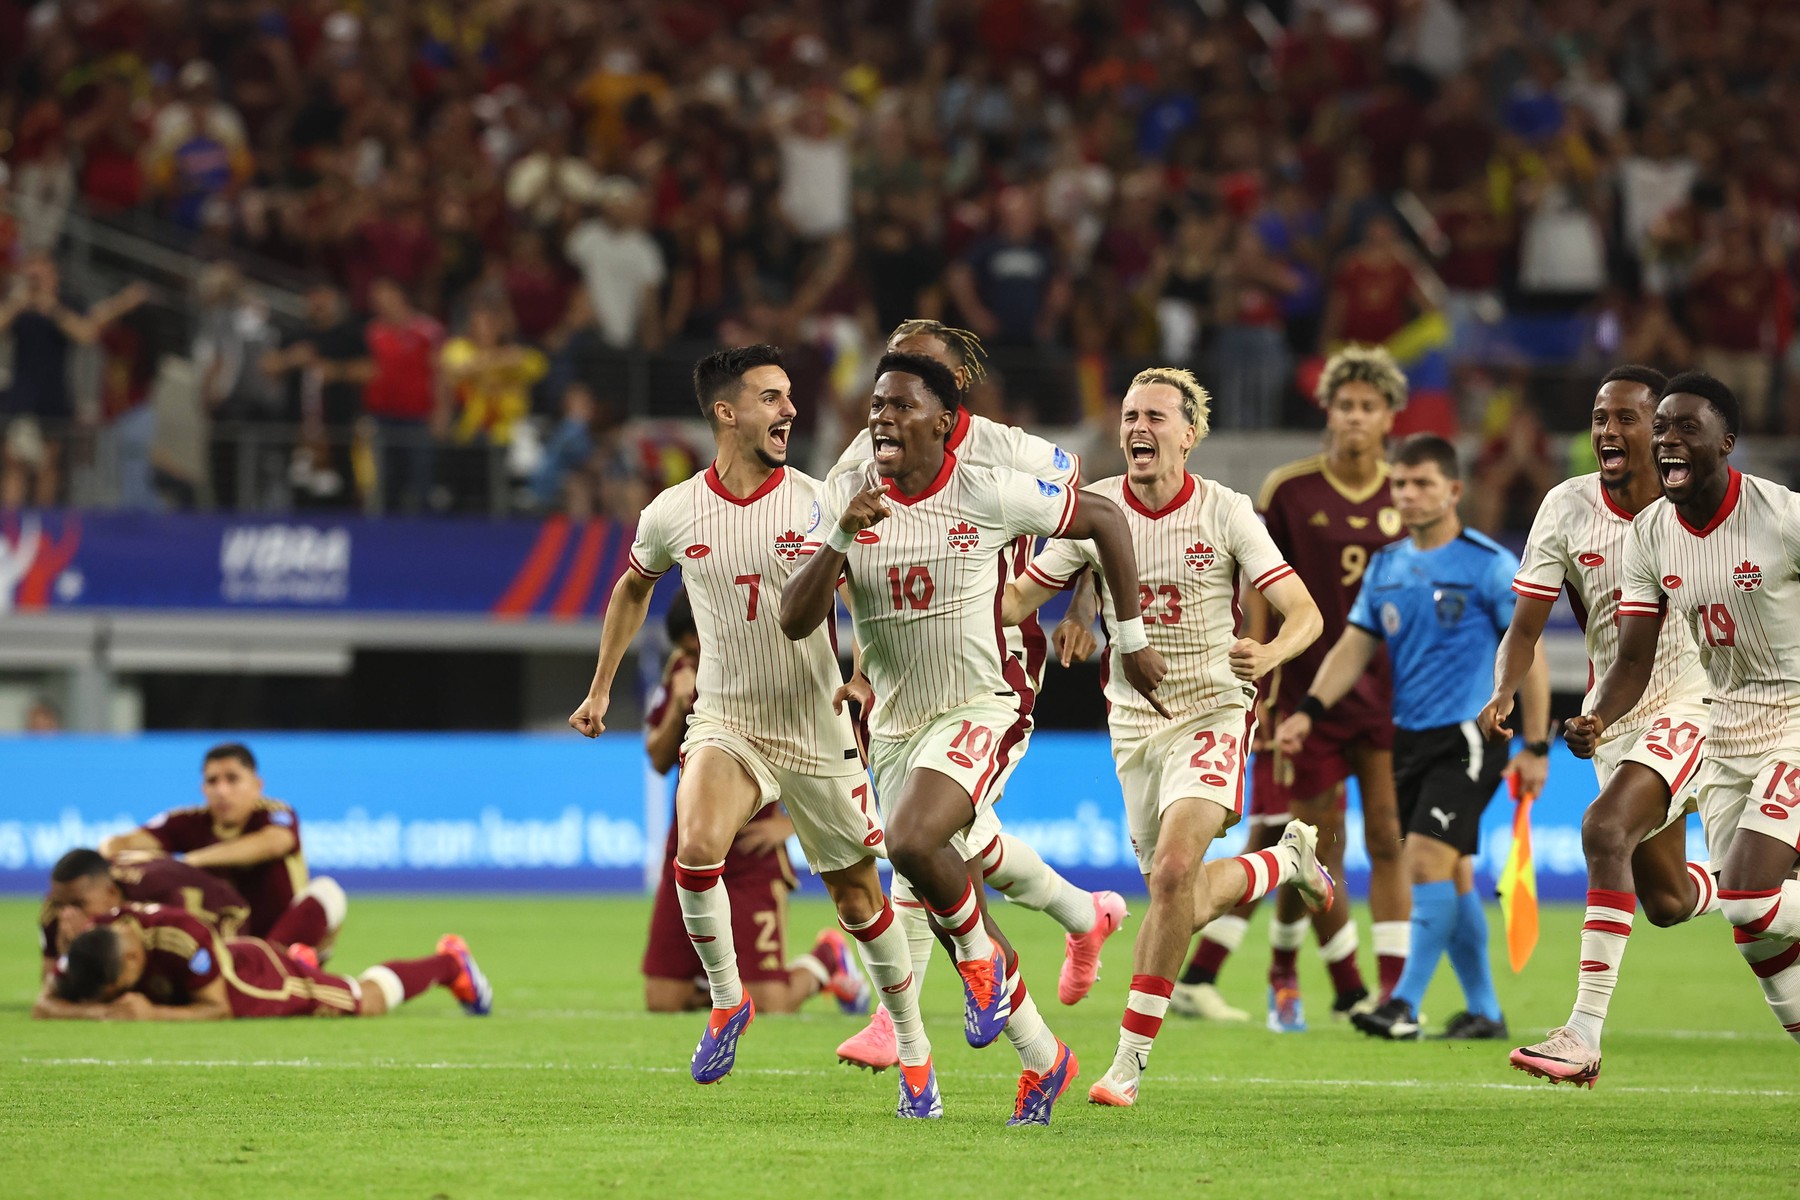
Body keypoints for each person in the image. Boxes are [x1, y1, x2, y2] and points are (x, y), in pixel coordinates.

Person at [780, 351, 1164, 1127]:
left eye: (901, 405)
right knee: (942, 870)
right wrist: (839, 538)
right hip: (892, 719)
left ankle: (985, 966)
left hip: (983, 701)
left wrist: (1127, 630)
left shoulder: (986, 484)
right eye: (876, 404)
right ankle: (1045, 1058)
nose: (882, 417)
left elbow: (1106, 518)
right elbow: (793, 618)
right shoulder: (848, 491)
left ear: (944, 421)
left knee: (914, 842)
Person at [568, 346, 937, 1117]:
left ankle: (912, 1053)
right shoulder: (672, 511)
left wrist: (864, 672)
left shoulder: (818, 500)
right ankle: (730, 1004)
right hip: (727, 719)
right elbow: (632, 589)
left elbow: (866, 596)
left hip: (814, 726)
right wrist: (601, 689)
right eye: (771, 397)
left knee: (858, 898)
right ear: (726, 413)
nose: (789, 410)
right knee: (695, 845)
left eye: (790, 397)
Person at [1001, 367, 1331, 1108]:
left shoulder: (1227, 512)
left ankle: (1127, 1061)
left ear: (1190, 434)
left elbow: (1303, 612)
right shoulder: (1095, 508)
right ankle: (1285, 862)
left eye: (1155, 417)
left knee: (1177, 870)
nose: (1138, 429)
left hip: (1212, 710)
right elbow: (1021, 595)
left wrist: (1271, 653)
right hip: (1135, 726)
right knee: (1173, 892)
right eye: (1128, 417)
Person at [831, 320, 1122, 1074]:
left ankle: (898, 1019)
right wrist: (859, 663)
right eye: (886, 383)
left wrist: (1076, 600)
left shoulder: (1003, 452)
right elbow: (862, 571)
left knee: (918, 837)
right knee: (954, 842)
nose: (892, 402)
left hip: (994, 654)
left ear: (950, 391)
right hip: (904, 676)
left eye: (917, 376)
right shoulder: (866, 456)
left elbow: (1091, 517)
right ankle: (1081, 916)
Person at [1276, 434, 1551, 1041]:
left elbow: (1528, 653)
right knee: (1451, 877)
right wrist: (1310, 711)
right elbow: (1353, 648)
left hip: (1471, 734)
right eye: (1400, 483)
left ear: (1453, 490)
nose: (1409, 494)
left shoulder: (1489, 564)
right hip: (1409, 740)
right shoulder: (1387, 566)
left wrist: (1535, 745)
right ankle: (1484, 1010)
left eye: (1423, 482)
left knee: (1424, 859)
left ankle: (1401, 1002)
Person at [1494, 365, 1720, 1086]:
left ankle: (1582, 1035)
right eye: (1599, 417)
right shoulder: (1566, 506)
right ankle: (1762, 887)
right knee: (1668, 902)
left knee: (1602, 829)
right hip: (1616, 716)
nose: (1607, 431)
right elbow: (1524, 627)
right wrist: (1504, 690)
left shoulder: (1695, 508)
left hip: (1698, 701)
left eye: (1626, 419)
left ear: (1660, 434)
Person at [1565, 372, 1800, 1047]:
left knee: (1752, 900)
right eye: (1661, 428)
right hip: (1726, 736)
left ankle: (1584, 1031)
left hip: (1792, 722)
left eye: (1686, 428)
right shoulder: (1651, 534)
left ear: (1726, 442)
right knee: (1754, 935)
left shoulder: (1782, 518)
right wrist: (1600, 718)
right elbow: (1632, 662)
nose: (1668, 440)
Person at [1182, 346, 1411, 1030]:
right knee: (1311, 842)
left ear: (1390, 416)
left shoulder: (1408, 492)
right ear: (1328, 411)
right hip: (1302, 692)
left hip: (1388, 693)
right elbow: (1260, 587)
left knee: (1376, 837)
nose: (1356, 418)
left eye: (1369, 407)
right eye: (1346, 405)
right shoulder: (1290, 490)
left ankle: (1368, 989)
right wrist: (1264, 670)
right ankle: (1341, 987)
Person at [640, 589, 869, 1016]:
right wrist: (676, 704)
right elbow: (656, 759)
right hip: (690, 841)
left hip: (751, 849)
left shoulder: (765, 666)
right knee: (662, 1000)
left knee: (770, 1003)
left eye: (696, 646)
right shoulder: (681, 671)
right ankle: (722, 985)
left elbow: (831, 747)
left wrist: (791, 825)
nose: (692, 656)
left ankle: (826, 960)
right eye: (686, 650)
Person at [35, 902, 489, 1020]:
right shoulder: (98, 944)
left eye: (122, 984)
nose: (121, 993)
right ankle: (298, 957)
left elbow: (219, 1008)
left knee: (364, 1000)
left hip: (255, 982)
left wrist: (151, 1013)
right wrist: (98, 1009)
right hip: (228, 963)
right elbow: (43, 1004)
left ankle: (449, 963)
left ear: (136, 956)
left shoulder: (181, 938)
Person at [99, 743, 345, 957]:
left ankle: (273, 961)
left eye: (232, 779)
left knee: (327, 891)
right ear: (202, 788)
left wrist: (191, 862)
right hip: (222, 944)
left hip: (281, 937)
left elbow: (274, 843)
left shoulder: (273, 813)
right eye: (212, 781)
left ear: (256, 785)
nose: (222, 790)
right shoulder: (187, 821)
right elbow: (117, 845)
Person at [38, 848, 251, 979]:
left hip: (224, 912)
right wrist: (71, 955)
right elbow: (51, 984)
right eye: (60, 905)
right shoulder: (56, 910)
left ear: (112, 893)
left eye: (79, 904)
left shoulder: (162, 899)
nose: (67, 914)